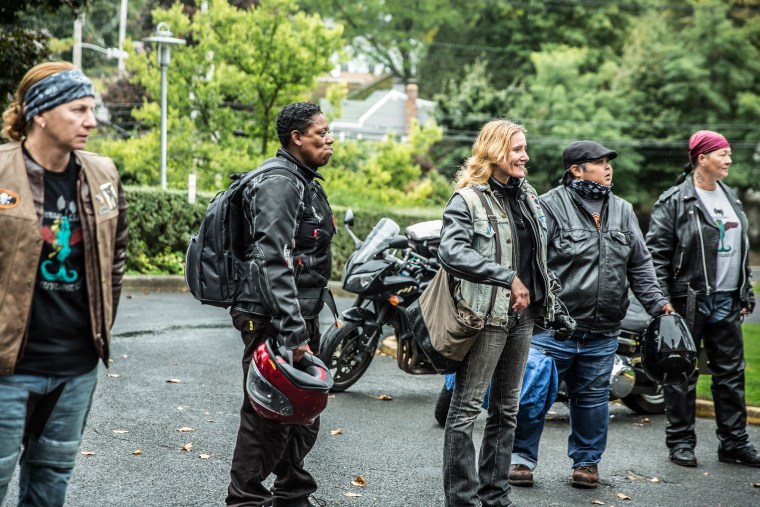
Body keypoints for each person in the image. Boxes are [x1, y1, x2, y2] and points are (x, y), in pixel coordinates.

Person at [508, 140, 673, 489]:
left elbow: (640, 265)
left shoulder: (624, 210)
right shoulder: (548, 206)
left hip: (603, 330)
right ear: (576, 169)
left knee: (594, 400)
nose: (608, 168)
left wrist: (659, 303)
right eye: (598, 162)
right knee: (535, 394)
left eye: (608, 162)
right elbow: (529, 261)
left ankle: (586, 462)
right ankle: (520, 457)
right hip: (554, 328)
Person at [0, 62, 128, 506]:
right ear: (40, 113)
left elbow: (116, 258)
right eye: (77, 110)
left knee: (50, 486)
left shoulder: (103, 174)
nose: (90, 121)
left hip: (76, 369)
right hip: (7, 371)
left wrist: (99, 328)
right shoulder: (1, 171)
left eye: (91, 109)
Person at [438, 119, 560, 507]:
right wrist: (506, 277)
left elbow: (538, 254)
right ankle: (461, 499)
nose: (525, 156)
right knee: (465, 411)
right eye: (517, 149)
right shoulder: (467, 199)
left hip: (521, 318)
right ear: (493, 152)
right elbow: (451, 252)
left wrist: (548, 298)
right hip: (484, 317)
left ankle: (495, 494)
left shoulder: (528, 196)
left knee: (507, 410)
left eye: (524, 149)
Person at [226, 102, 336, 507]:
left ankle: (292, 493)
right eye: (321, 133)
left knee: (303, 408)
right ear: (297, 138)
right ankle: (244, 501)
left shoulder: (304, 179)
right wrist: (294, 332)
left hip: (298, 313)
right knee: (266, 415)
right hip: (272, 317)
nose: (329, 139)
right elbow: (275, 259)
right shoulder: (280, 183)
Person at [646, 130, 759, 468]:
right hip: (687, 301)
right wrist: (662, 302)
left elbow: (741, 251)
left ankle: (735, 444)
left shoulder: (730, 196)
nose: (729, 159)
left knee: (731, 374)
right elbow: (656, 256)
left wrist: (744, 290)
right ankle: (681, 443)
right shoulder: (674, 201)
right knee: (680, 372)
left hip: (726, 299)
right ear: (701, 158)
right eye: (722, 154)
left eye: (728, 154)